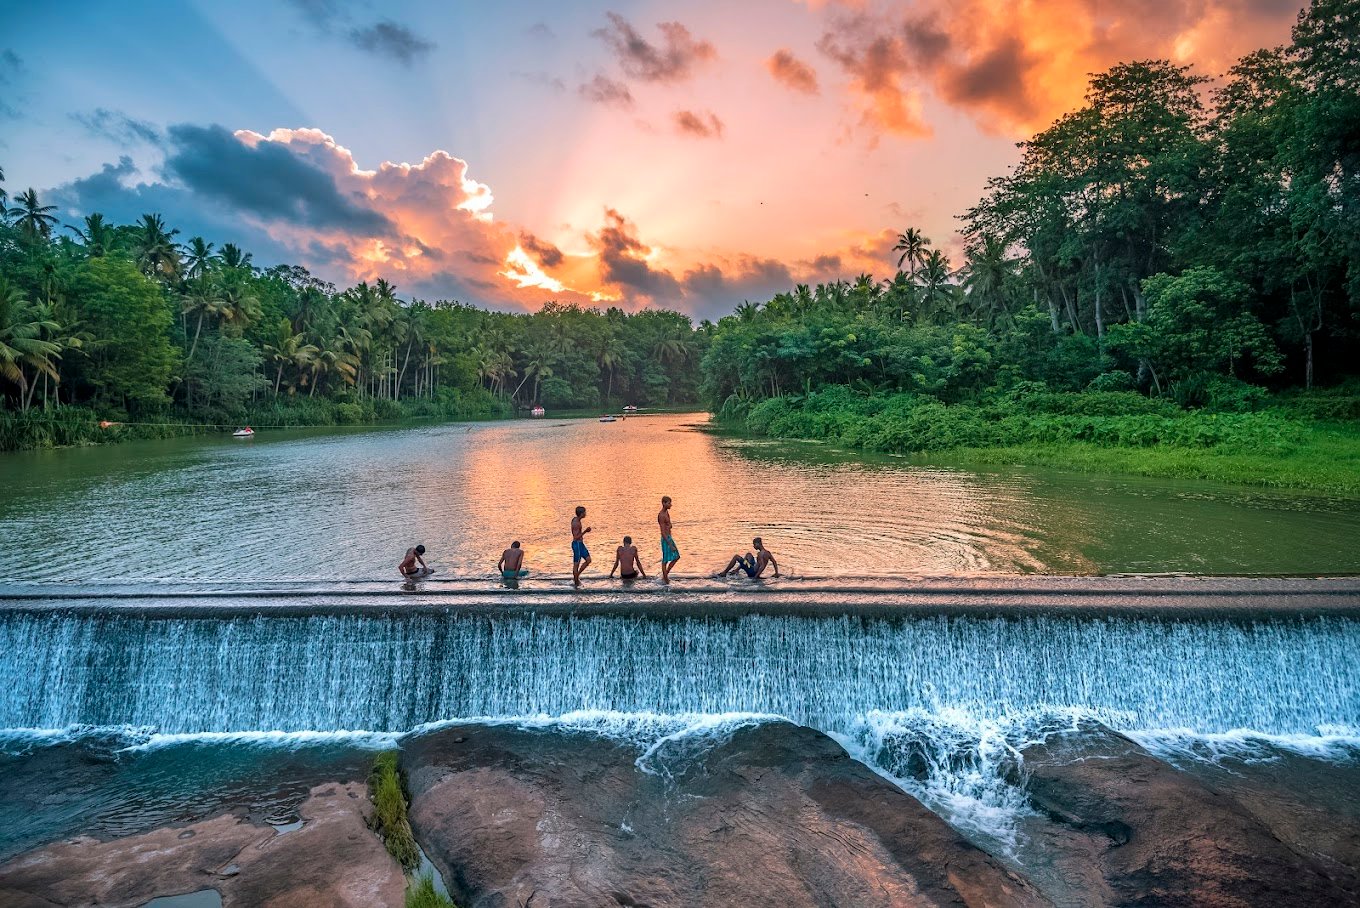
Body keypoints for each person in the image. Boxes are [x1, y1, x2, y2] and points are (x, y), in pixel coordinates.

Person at [714, 537, 779, 579]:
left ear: (758, 544)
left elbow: (762, 566)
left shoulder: (761, 554)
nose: (753, 546)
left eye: (754, 544)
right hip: (752, 567)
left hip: (752, 572)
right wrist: (776, 573)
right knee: (749, 555)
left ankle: (724, 572)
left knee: (736, 556)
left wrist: (756, 577)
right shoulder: (767, 552)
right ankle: (737, 570)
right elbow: (774, 562)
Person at [658, 495, 679, 583]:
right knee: (665, 560)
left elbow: (668, 524)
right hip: (665, 539)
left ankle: (665, 575)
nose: (671, 505)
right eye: (669, 503)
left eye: (670, 503)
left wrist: (670, 525)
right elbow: (662, 532)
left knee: (676, 557)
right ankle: (666, 579)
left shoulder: (666, 512)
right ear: (663, 503)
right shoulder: (661, 515)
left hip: (669, 537)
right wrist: (670, 545)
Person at [571, 505, 592, 587]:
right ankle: (576, 582)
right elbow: (575, 537)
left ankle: (577, 576)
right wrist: (585, 531)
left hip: (580, 544)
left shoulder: (576, 519)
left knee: (588, 560)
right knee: (576, 564)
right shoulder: (576, 523)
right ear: (581, 514)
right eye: (584, 512)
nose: (585, 513)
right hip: (577, 544)